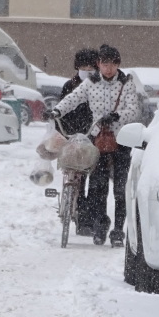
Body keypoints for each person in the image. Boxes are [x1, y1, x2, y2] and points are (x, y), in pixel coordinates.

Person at [46, 44, 141, 247]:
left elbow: (133, 110)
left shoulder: (126, 83)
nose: (108, 68)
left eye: (112, 64)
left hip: (121, 141)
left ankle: (117, 231)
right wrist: (56, 111)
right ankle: (100, 225)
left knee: (120, 189)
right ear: (99, 64)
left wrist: (116, 116)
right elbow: (73, 98)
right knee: (98, 187)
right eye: (104, 63)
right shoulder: (91, 83)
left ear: (118, 65)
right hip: (97, 140)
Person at [56, 49, 98, 234]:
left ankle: (87, 218)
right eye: (83, 66)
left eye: (90, 67)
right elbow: (61, 108)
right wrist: (62, 130)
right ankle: (76, 213)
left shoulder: (98, 86)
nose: (86, 70)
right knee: (74, 175)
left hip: (92, 134)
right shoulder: (69, 86)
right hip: (71, 133)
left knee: (93, 179)